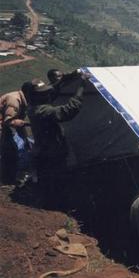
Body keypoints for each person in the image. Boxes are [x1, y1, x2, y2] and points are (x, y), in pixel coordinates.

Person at [27, 75, 88, 207]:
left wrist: (63, 80)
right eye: (43, 94)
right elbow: (69, 110)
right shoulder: (43, 110)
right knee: (57, 185)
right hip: (51, 155)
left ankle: (51, 206)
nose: (47, 95)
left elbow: (52, 93)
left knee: (50, 185)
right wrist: (82, 85)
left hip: (44, 153)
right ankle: (56, 210)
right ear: (36, 97)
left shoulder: (34, 107)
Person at [0, 83, 31, 185]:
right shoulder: (14, 100)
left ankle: (8, 176)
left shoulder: (22, 99)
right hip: (4, 126)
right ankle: (7, 178)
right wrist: (29, 124)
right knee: (10, 148)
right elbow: (9, 121)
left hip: (6, 127)